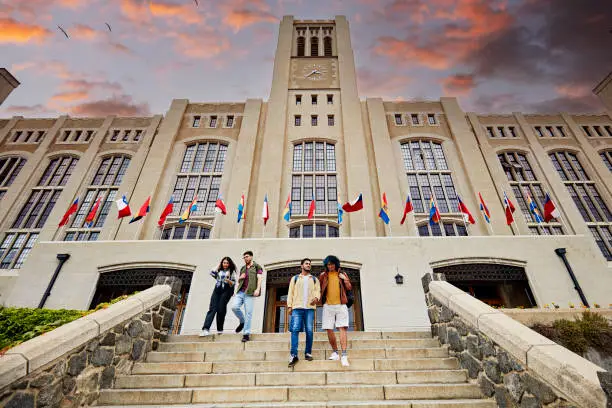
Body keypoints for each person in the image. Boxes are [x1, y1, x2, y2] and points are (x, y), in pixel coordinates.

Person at [287, 258, 320, 367]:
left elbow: (317, 292)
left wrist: (316, 298)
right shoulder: (295, 278)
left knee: (309, 331)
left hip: (309, 309)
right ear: (301, 266)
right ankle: (293, 355)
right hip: (297, 307)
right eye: (306, 263)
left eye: (309, 264)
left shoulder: (314, 279)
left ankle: (308, 353)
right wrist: (289, 306)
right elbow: (290, 292)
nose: (308, 265)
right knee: (295, 330)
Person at [319, 255, 352, 367]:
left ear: (336, 264)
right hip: (328, 306)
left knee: (342, 328)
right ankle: (335, 352)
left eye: (332, 264)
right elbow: (319, 289)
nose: (330, 266)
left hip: (341, 305)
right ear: (326, 265)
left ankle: (344, 355)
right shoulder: (323, 275)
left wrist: (345, 279)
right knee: (328, 329)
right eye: (328, 264)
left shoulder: (342, 274)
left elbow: (349, 288)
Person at [200, 257, 237, 336]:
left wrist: (228, 280)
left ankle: (220, 329)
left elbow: (233, 284)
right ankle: (205, 329)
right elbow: (211, 272)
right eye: (224, 263)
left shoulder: (232, 272)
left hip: (227, 290)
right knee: (212, 309)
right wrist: (219, 265)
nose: (225, 264)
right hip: (217, 290)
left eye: (227, 263)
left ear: (229, 264)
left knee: (220, 309)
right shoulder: (219, 271)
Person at [232, 250, 263, 342]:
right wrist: (239, 278)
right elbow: (239, 280)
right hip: (240, 292)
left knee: (248, 313)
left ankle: (246, 334)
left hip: (249, 293)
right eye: (244, 257)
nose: (245, 258)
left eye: (247, 256)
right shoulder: (242, 268)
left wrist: (257, 289)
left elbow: (260, 278)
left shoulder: (257, 266)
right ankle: (242, 321)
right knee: (234, 307)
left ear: (251, 257)